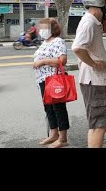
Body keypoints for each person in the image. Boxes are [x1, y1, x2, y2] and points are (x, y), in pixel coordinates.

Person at [72, 0, 106, 148]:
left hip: (96, 82)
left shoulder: (92, 22)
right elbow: (77, 48)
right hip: (95, 82)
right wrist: (94, 64)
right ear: (99, 0)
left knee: (98, 125)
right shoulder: (89, 23)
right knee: (99, 126)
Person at [32, 18, 69, 148]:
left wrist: (42, 62)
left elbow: (62, 60)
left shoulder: (58, 41)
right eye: (41, 28)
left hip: (54, 79)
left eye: (44, 28)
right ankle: (54, 134)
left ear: (52, 29)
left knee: (58, 108)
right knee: (48, 108)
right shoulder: (44, 42)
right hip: (43, 79)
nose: (41, 30)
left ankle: (63, 138)